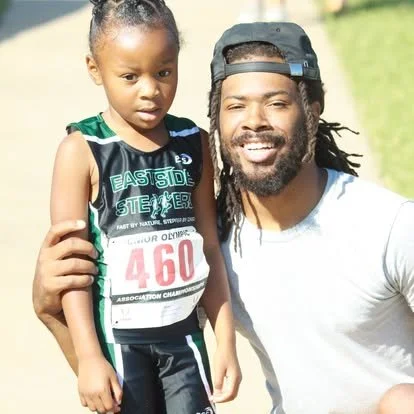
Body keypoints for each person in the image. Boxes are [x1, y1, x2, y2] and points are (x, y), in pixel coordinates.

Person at [33, 20, 414, 414]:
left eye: (277, 103)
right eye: (235, 106)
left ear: (313, 111)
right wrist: (51, 314)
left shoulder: (387, 226)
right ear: (215, 120)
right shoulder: (209, 240)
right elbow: (126, 377)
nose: (254, 121)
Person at [45, 0, 240, 413]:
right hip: (119, 344)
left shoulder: (194, 142)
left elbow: (208, 246)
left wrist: (225, 339)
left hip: (185, 337)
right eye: (130, 76)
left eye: (163, 72)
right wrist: (89, 358)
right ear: (95, 69)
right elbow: (72, 271)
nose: (150, 89)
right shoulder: (82, 150)